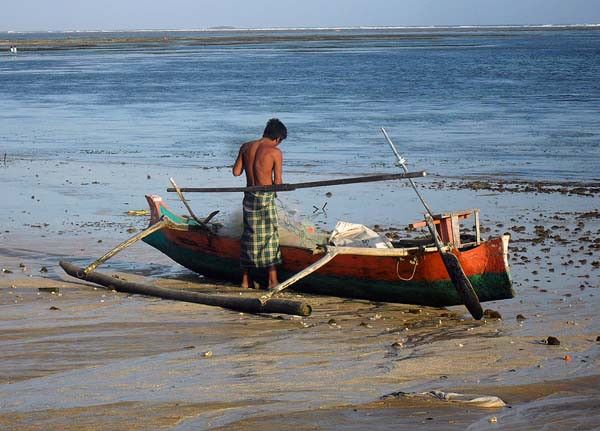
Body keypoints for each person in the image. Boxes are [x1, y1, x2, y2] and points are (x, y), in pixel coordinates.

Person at [233, 118, 287, 289]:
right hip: (265, 196)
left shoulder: (246, 146)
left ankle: (245, 280)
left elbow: (236, 172)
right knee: (270, 236)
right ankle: (272, 280)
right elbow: (277, 182)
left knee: (249, 235)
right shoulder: (275, 152)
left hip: (249, 195)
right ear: (277, 138)